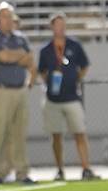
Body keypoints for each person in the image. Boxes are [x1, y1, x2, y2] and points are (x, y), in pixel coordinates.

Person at [34, 11, 99, 181]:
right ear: (51, 27)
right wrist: (51, 84)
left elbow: (84, 66)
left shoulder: (74, 45)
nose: (61, 28)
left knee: (80, 132)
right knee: (56, 134)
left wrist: (75, 79)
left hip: (72, 96)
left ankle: (86, 168)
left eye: (63, 24)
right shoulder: (46, 49)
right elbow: (41, 71)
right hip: (53, 99)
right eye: (58, 25)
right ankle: (59, 169)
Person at [0, 1, 37, 185]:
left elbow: (30, 59)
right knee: (0, 133)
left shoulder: (20, 37)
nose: (7, 20)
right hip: (2, 90)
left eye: (10, 17)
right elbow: (3, 57)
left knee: (19, 134)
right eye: (4, 16)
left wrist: (16, 56)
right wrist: (19, 56)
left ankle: (21, 172)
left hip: (20, 90)